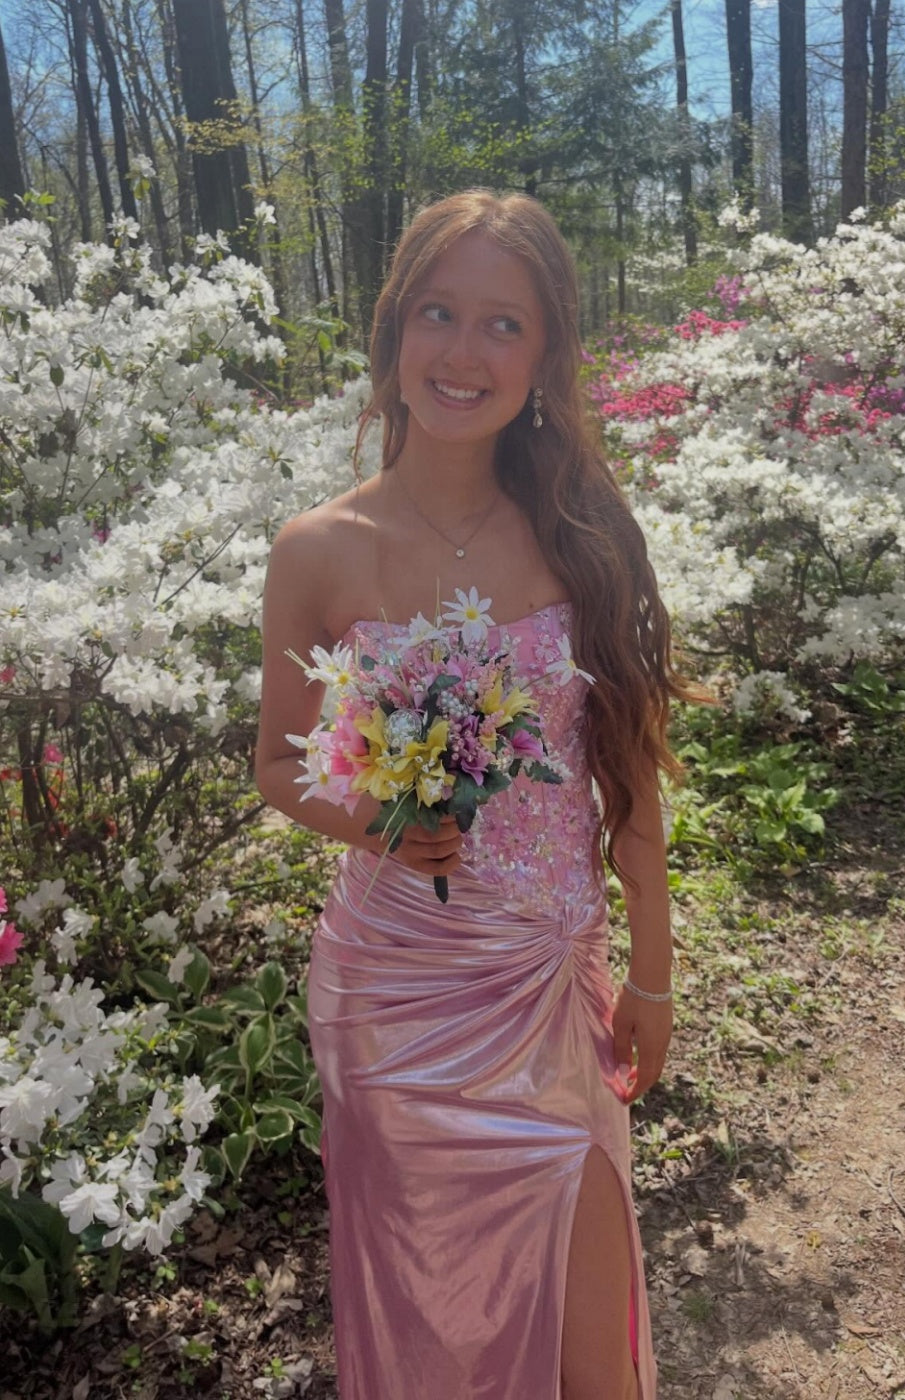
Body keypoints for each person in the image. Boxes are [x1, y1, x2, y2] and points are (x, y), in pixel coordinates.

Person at [256, 189, 687, 1400]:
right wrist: (383, 821)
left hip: (550, 990)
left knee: (594, 1358)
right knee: (433, 1331)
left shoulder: (581, 529)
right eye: (439, 312)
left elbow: (629, 772)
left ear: (544, 356)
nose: (464, 350)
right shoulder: (315, 549)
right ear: (395, 328)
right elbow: (278, 762)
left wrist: (652, 970)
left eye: (505, 323)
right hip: (392, 998)